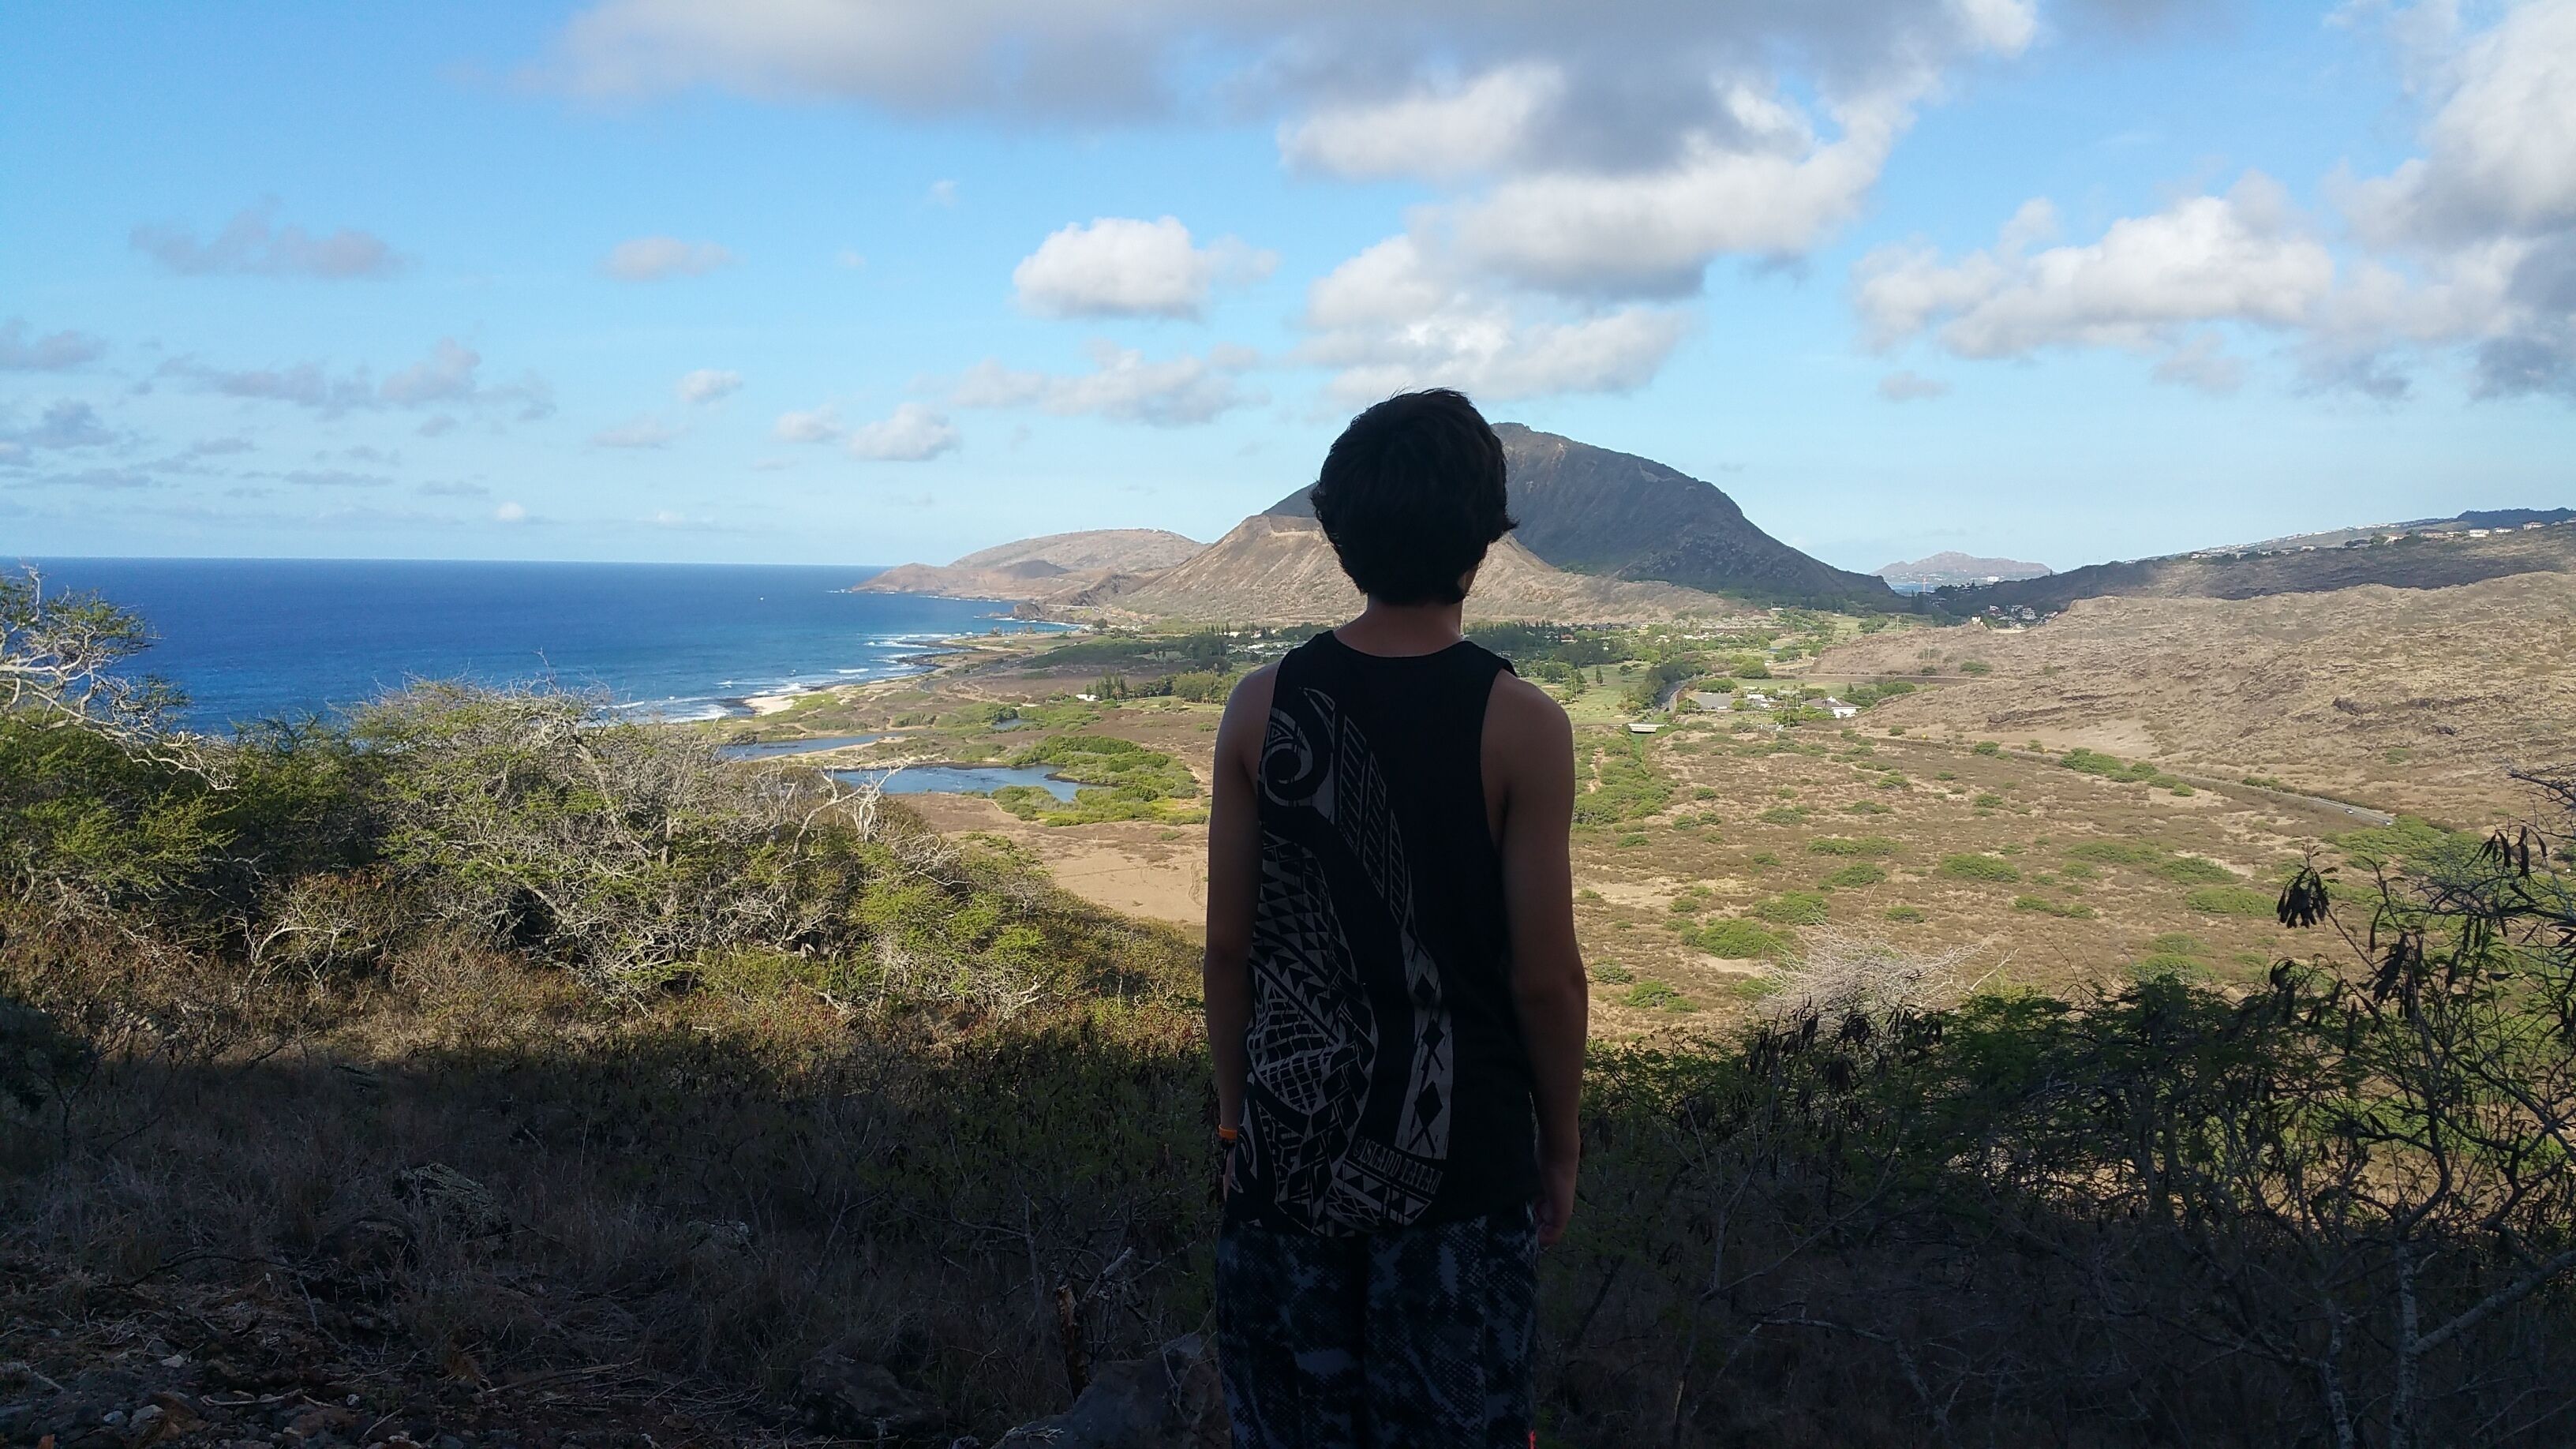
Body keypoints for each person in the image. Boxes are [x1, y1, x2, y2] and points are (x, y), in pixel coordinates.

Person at [1202, 388, 1589, 1448]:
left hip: (1286, 1163)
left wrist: (1238, 1121)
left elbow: (1229, 949)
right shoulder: (1523, 725)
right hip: (1468, 1173)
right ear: (1483, 537)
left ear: (1339, 536)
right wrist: (1560, 1146)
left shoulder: (1260, 704)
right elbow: (1546, 981)